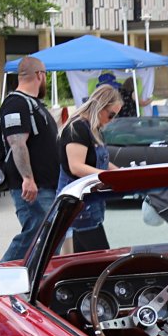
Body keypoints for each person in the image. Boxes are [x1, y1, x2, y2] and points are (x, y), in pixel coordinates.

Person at [0, 54, 60, 262]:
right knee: (36, 232)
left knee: (49, 238)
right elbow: (17, 143)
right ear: (40, 75)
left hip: (45, 186)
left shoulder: (33, 104)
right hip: (33, 188)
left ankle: (39, 283)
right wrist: (28, 178)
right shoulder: (16, 104)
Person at [56, 84, 122, 254]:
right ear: (101, 107)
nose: (112, 120)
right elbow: (76, 166)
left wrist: (122, 174)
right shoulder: (77, 128)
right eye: (111, 115)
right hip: (80, 204)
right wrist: (109, 177)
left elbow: (101, 162)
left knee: (85, 259)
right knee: (103, 258)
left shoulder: (95, 129)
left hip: (91, 203)